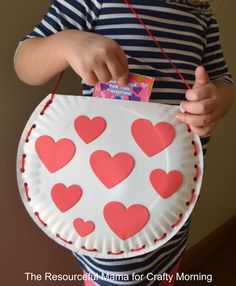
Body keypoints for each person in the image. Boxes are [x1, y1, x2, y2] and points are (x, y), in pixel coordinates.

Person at [14, 0, 235, 285]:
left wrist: (216, 100)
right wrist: (65, 44)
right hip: (106, 199)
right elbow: (24, 62)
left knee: (164, 266)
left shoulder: (198, 11)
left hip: (170, 197)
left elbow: (221, 79)